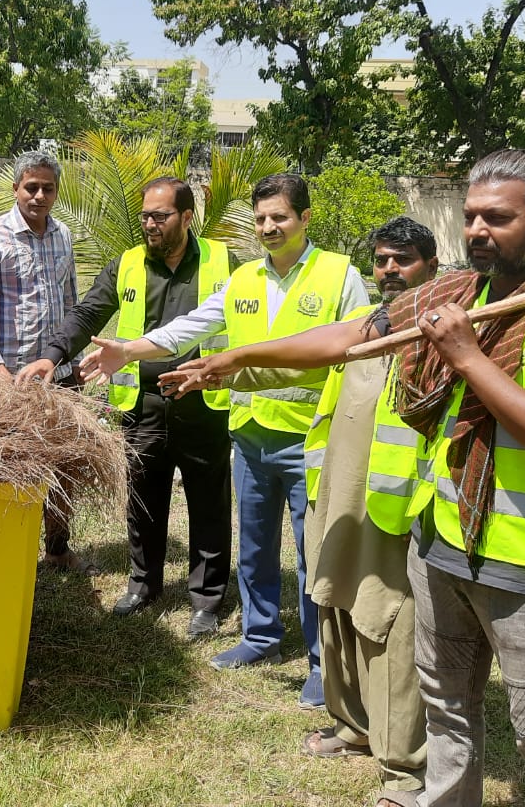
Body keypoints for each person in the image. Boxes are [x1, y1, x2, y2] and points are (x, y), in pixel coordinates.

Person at [161, 150, 525, 807]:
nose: (477, 231)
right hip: (442, 551)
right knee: (446, 720)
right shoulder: (456, 295)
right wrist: (235, 357)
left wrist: (466, 358)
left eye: (498, 217)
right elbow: (350, 337)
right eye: (471, 216)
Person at [81, 173, 370, 708]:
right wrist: (130, 349)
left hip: (312, 439)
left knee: (314, 556)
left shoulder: (339, 274)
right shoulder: (244, 280)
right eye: (261, 219)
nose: (268, 227)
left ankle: (319, 660)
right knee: (256, 548)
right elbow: (188, 326)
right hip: (251, 437)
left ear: (305, 219)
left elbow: (351, 347)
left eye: (280, 217)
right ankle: (259, 637)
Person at [16, 177, 234, 639]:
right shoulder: (129, 263)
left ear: (187, 217)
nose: (149, 225)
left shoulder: (223, 262)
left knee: (208, 503)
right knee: (143, 500)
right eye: (145, 216)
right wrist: (52, 355)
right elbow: (88, 312)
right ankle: (143, 584)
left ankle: (207, 600)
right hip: (143, 404)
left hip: (202, 402)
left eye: (160, 216)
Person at [293, 217, 437, 807]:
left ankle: (404, 772)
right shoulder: (368, 328)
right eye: (380, 261)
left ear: (430, 264)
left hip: (394, 508)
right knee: (335, 609)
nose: (389, 271)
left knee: (388, 629)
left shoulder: (438, 333)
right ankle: (352, 727)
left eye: (402, 259)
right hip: (337, 499)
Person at [0, 149, 88, 572]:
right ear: (16, 189)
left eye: (47, 188)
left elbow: (72, 305)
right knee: (9, 465)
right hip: (10, 378)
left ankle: (56, 549)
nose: (38, 196)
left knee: (63, 463)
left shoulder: (63, 235)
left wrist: (74, 361)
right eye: (30, 187)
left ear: (56, 191)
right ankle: (5, 551)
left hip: (58, 374)